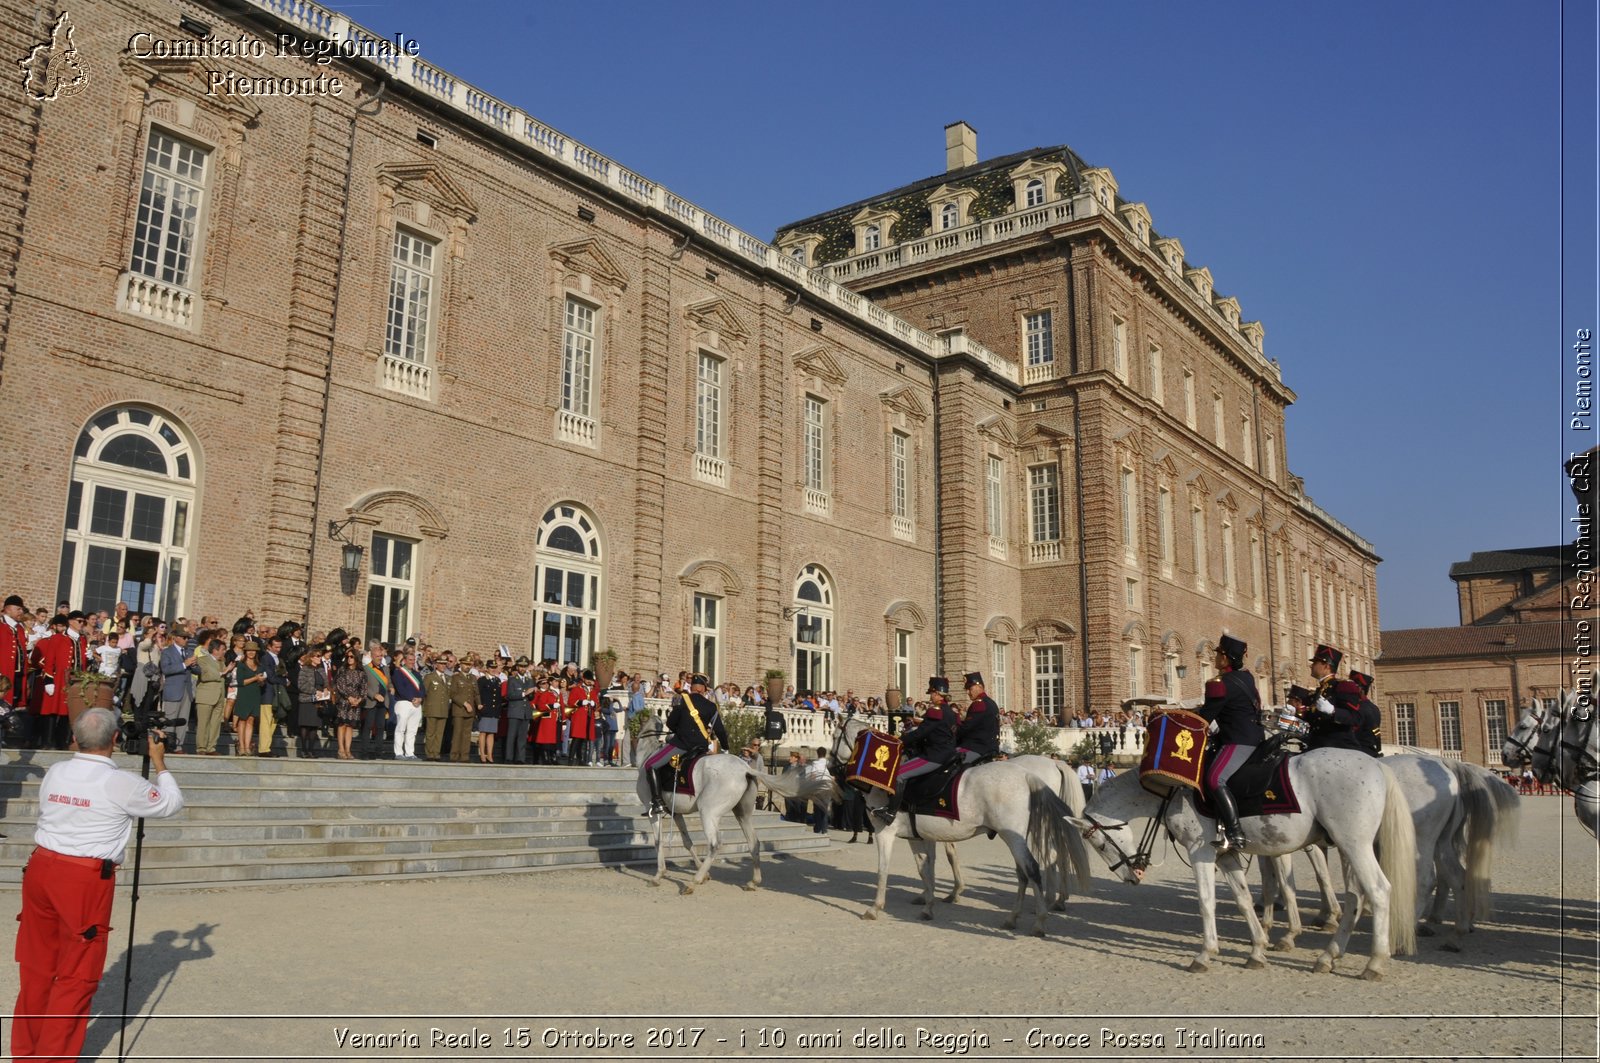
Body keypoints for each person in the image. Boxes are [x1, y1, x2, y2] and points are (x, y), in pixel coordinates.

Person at [11, 708, 184, 1062]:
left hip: (42, 867)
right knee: (76, 977)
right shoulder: (119, 781)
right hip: (82, 877)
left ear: (74, 737)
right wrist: (159, 762)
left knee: (37, 969)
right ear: (116, 739)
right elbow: (171, 803)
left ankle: (26, 1054)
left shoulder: (57, 771)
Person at [1195, 633, 1266, 852]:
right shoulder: (1246, 677)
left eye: (1218, 654)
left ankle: (1235, 832)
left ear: (1225, 659)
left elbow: (1204, 717)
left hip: (1238, 740)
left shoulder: (1220, 684)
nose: (1215, 658)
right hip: (1255, 736)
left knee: (1215, 778)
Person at [640, 673, 728, 817]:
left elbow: (670, 723)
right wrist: (725, 747)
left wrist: (680, 730)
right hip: (701, 747)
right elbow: (720, 730)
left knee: (651, 765)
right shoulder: (711, 706)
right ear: (704, 689)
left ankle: (657, 802)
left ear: (692, 687)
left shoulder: (682, 700)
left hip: (681, 745)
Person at [873, 677, 959, 824]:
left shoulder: (935, 711)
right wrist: (917, 721)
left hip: (934, 755)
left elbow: (920, 734)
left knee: (898, 775)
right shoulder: (950, 712)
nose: (930, 696)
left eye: (932, 693)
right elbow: (937, 728)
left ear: (938, 693)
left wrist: (899, 741)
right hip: (948, 753)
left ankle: (891, 812)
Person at [1302, 644, 1367, 754]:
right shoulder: (1319, 690)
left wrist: (1333, 711)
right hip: (1317, 745)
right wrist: (1298, 713)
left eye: (1315, 663)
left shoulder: (1343, 686)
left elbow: (1355, 718)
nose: (1311, 666)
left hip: (1339, 746)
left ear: (1326, 666)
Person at [191, 638, 228, 755]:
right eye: (222, 650)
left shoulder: (222, 661)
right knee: (203, 723)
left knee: (216, 724)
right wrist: (223, 673)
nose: (224, 652)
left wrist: (228, 672)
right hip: (206, 696)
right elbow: (206, 676)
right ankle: (201, 748)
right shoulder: (202, 660)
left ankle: (211, 747)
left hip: (219, 696)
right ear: (215, 650)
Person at [956, 671, 1001, 764]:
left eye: (970, 688)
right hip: (989, 746)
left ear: (979, 686)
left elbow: (966, 728)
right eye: (967, 689)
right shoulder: (990, 702)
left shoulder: (979, 704)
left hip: (976, 747)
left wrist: (954, 723)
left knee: (947, 761)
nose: (968, 692)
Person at [231, 643, 267, 757]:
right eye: (249, 650)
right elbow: (241, 682)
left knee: (251, 720)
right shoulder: (241, 665)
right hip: (244, 694)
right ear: (245, 652)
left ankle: (247, 746)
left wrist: (261, 681)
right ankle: (241, 747)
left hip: (255, 694)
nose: (251, 653)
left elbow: (261, 682)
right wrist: (255, 678)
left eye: (253, 651)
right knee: (242, 720)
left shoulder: (260, 665)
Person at [391, 646, 424, 760]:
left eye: (413, 660)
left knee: (412, 730)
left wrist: (420, 698)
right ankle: (399, 752)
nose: (412, 662)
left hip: (417, 704)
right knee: (401, 729)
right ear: (404, 661)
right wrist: (412, 698)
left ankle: (410, 753)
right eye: (410, 660)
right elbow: (400, 688)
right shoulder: (398, 673)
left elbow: (422, 689)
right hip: (404, 703)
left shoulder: (417, 674)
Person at [1347, 670, 1384, 758]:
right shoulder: (1374, 708)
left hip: (1358, 751)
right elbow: (1376, 732)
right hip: (1371, 750)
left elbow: (1352, 731)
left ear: (1361, 689)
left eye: (1353, 686)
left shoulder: (1358, 708)